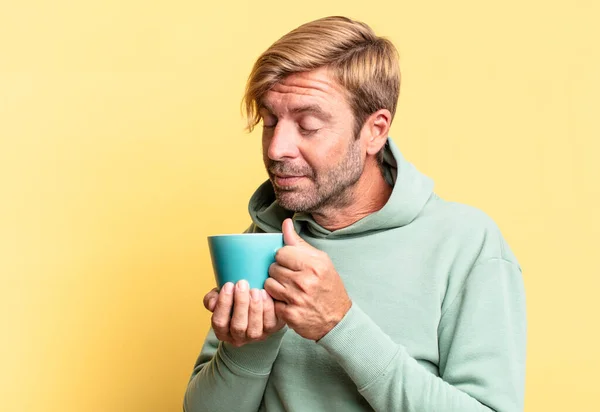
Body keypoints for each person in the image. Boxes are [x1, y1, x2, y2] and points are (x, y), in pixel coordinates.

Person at [183, 16, 526, 412]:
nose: (277, 148)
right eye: (271, 121)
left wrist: (340, 324)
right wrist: (248, 348)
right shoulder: (263, 236)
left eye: (308, 126)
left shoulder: (466, 244)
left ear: (374, 131)